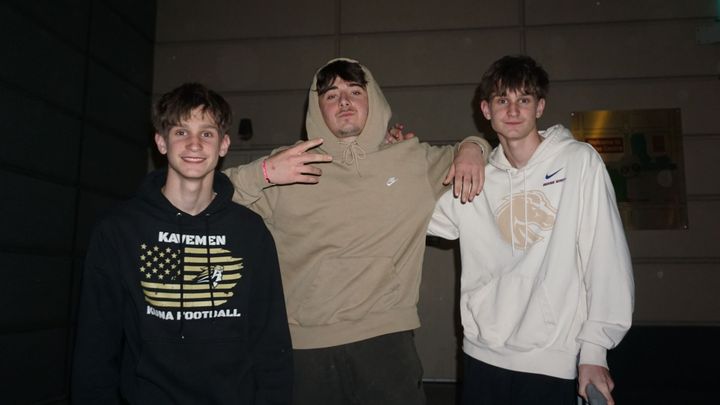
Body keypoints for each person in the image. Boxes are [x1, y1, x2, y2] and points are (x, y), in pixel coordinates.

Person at [224, 58, 490, 405]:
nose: (344, 102)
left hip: (387, 343)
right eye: (331, 95)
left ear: (373, 99)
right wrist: (264, 173)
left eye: (354, 91)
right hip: (305, 348)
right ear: (317, 107)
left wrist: (473, 146)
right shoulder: (289, 165)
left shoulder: (412, 161)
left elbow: (488, 154)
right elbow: (205, 194)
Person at [428, 55, 634, 405]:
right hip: (482, 354)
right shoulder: (477, 177)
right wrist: (396, 157)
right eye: (502, 100)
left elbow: (606, 259)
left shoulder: (578, 161)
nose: (512, 110)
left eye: (523, 99)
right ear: (486, 109)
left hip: (552, 359)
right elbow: (417, 219)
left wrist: (595, 351)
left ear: (540, 106)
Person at [72, 83, 292, 404]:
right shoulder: (119, 231)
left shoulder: (250, 233)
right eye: (180, 132)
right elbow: (95, 344)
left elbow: (271, 342)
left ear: (223, 145)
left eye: (207, 133)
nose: (194, 144)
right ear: (161, 142)